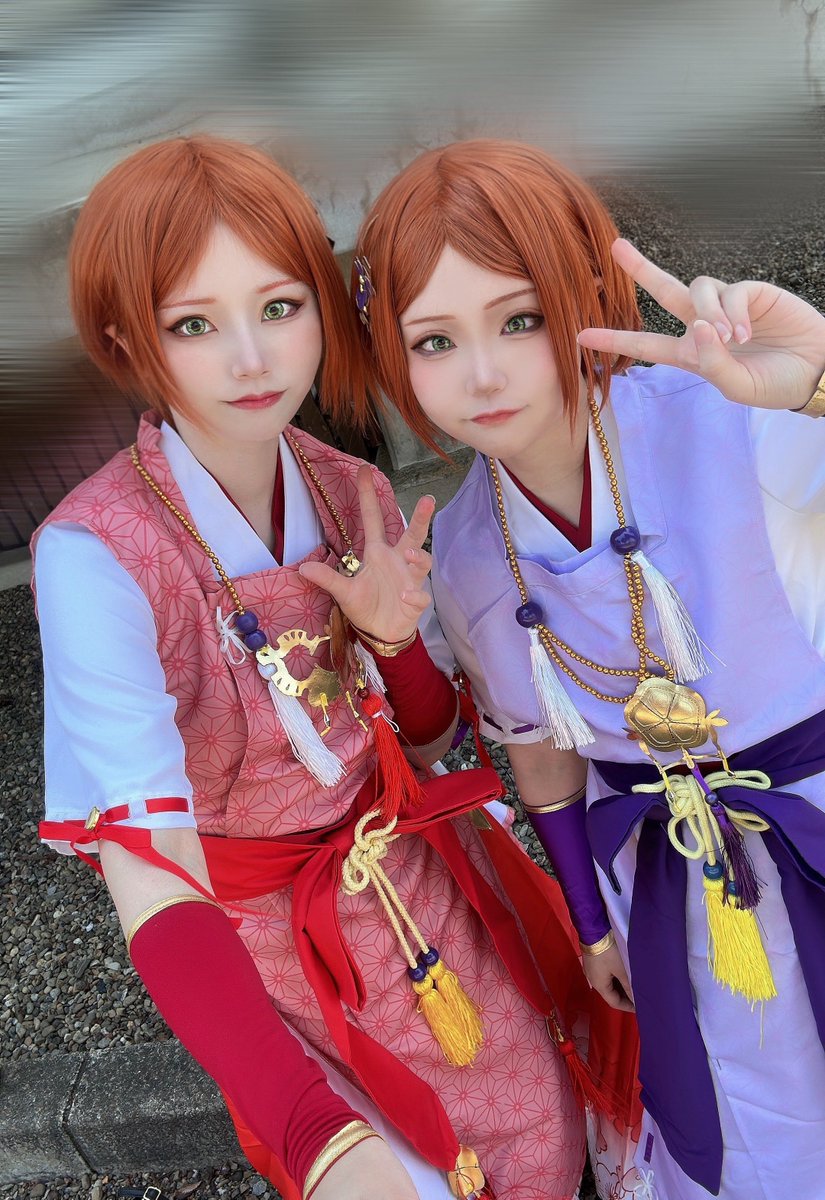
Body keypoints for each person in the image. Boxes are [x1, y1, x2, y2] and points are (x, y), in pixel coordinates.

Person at [32, 135, 629, 1200]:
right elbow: (154, 874)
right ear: (125, 338)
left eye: (279, 307)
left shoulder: (350, 488)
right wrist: (314, 1137)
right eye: (193, 324)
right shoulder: (96, 555)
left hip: (420, 880)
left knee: (542, 1119)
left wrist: (393, 642)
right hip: (266, 946)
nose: (252, 359)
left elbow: (433, 741)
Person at [354, 137, 825, 1200]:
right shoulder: (464, 548)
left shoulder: (723, 410)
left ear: (584, 294)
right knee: (754, 1105)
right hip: (667, 870)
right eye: (434, 340)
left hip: (812, 808)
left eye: (519, 319)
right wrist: (588, 920)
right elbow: (542, 758)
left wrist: (811, 384)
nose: (482, 374)